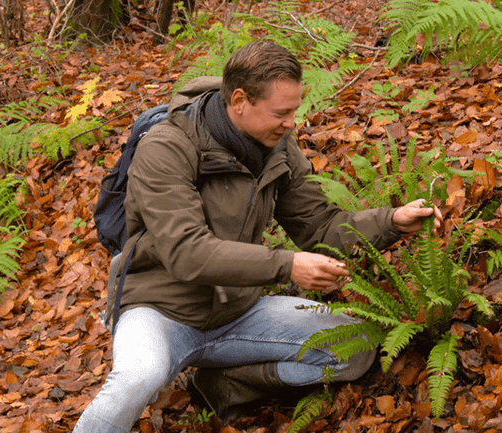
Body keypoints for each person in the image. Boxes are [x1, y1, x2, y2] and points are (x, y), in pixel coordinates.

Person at [73, 40, 441, 432]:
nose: (291, 124)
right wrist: (287, 266)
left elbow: (318, 226)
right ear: (239, 101)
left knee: (357, 346)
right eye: (281, 113)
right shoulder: (167, 147)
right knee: (137, 379)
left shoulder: (277, 147)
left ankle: (223, 385)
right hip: (159, 310)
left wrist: (392, 221)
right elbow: (187, 252)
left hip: (236, 311)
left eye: (294, 111)